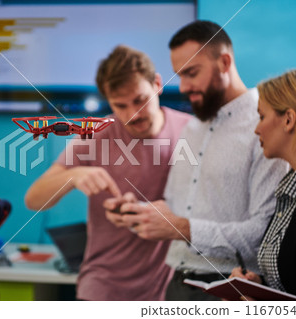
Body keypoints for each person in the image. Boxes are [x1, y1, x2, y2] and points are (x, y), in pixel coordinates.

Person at [106, 21, 288, 300]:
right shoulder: (192, 128)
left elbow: (265, 234)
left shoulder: (264, 127)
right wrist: (138, 211)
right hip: (177, 284)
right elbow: (176, 205)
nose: (182, 86)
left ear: (224, 62)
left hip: (232, 289)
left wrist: (181, 228)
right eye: (179, 75)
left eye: (191, 73)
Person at [24, 45, 192, 300]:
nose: (132, 114)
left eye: (140, 100)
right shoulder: (94, 137)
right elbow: (34, 200)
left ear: (157, 84)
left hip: (170, 291)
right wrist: (73, 175)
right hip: (102, 288)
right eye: (120, 105)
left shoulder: (193, 131)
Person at [230, 70, 296, 301]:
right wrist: (260, 286)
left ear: (289, 120)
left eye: (261, 117)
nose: (256, 129)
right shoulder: (292, 182)